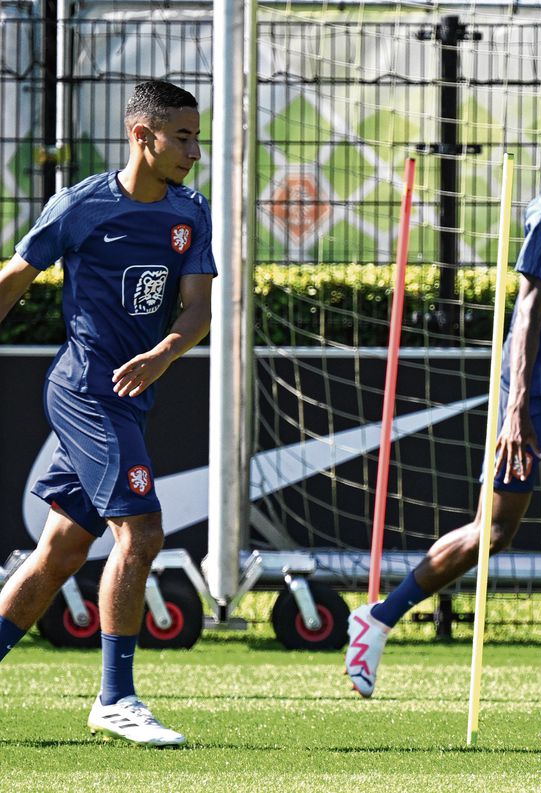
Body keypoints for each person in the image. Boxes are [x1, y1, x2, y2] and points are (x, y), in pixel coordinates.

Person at [344, 73, 541, 703]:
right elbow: (529, 307)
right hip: (536, 389)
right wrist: (514, 410)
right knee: (496, 529)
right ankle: (378, 618)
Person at [0, 80, 215, 747]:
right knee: (142, 533)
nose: (192, 150)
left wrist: (163, 352)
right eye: (181, 136)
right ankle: (116, 697)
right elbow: (15, 276)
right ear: (140, 135)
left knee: (61, 550)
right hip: (87, 391)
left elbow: (198, 308)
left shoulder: (191, 211)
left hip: (131, 392)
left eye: (196, 137)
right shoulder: (80, 206)